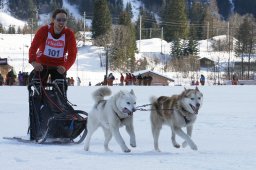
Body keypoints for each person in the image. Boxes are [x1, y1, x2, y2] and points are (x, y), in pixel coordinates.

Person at [29, 8, 77, 90]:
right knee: (38, 86)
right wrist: (34, 62)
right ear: (53, 20)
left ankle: (59, 101)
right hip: (42, 64)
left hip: (59, 66)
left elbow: (72, 54)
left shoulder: (69, 34)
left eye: (64, 20)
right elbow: (33, 47)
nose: (61, 23)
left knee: (60, 88)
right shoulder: (44, 30)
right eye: (59, 20)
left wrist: (65, 67)